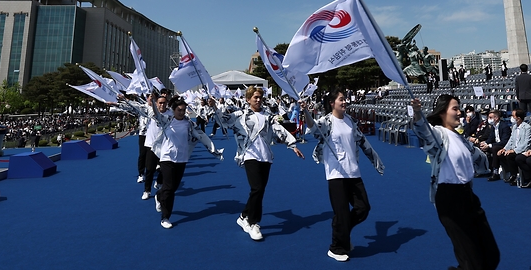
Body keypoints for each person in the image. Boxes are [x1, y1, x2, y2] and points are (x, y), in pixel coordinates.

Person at [411, 95, 499, 270]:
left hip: (469, 198)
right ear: (442, 112)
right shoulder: (439, 135)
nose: (460, 113)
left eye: (459, 109)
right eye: (455, 109)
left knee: (491, 256)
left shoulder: (461, 138)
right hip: (450, 200)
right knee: (472, 260)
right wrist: (417, 112)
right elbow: (423, 131)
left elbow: (480, 161)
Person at [214, 86, 304, 241]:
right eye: (255, 97)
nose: (258, 99)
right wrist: (213, 106)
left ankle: (243, 216)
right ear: (248, 99)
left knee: (259, 190)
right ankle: (254, 222)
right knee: (257, 188)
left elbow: (278, 129)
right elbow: (222, 120)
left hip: (265, 156)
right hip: (249, 155)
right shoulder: (240, 114)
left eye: (260, 97)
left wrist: (292, 145)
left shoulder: (268, 115)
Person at [305, 88, 385, 262]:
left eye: (345, 99)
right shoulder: (327, 121)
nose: (345, 102)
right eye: (341, 99)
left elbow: (363, 142)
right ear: (332, 103)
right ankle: (336, 247)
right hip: (336, 174)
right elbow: (312, 127)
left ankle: (341, 231)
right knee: (341, 213)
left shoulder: (350, 121)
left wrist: (375, 159)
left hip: (353, 172)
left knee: (363, 208)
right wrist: (305, 111)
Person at [150, 95, 224, 229]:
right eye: (179, 110)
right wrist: (153, 102)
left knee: (173, 187)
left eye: (184, 110)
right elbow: (156, 114)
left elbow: (202, 136)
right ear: (173, 110)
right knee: (169, 188)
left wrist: (214, 150)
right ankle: (165, 217)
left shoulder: (189, 123)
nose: (182, 112)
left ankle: (159, 195)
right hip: (167, 158)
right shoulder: (167, 120)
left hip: (182, 159)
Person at [494, 109, 531, 184]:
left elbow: (526, 143)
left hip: (522, 150)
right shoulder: (514, 127)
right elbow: (511, 140)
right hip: (514, 148)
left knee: (510, 156)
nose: (511, 117)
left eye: (513, 116)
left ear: (519, 118)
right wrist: (504, 149)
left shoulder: (527, 127)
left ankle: (515, 175)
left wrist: (514, 150)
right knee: (501, 154)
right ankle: (510, 173)